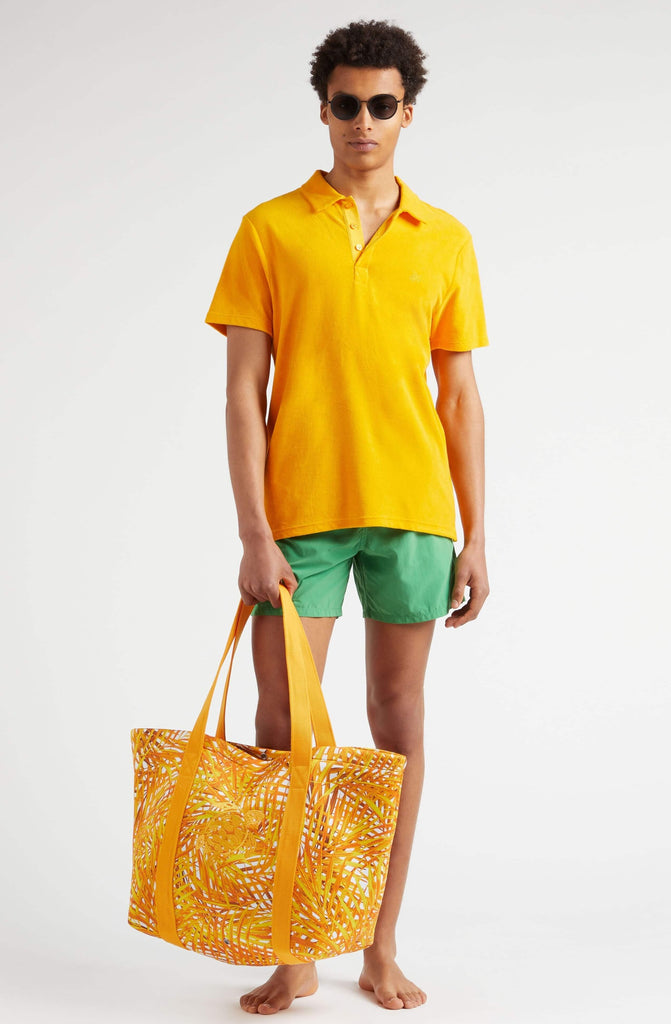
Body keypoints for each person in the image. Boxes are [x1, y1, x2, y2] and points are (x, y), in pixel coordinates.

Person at [204, 17, 490, 1014]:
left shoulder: (445, 239)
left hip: (412, 511)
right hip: (300, 513)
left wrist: (476, 536)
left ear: (408, 113)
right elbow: (241, 393)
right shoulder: (269, 228)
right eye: (345, 103)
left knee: (395, 721)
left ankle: (377, 944)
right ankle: (294, 949)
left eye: (380, 105)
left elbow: (459, 397)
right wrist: (252, 531)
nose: (361, 120)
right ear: (322, 109)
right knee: (283, 724)